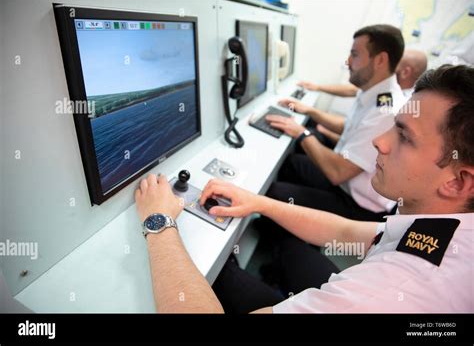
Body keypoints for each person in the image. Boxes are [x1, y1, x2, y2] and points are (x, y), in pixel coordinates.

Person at [135, 65, 474, 313]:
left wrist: (160, 222)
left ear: (459, 181)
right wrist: (259, 202)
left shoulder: (390, 292)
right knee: (281, 239)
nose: (379, 142)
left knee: (215, 272)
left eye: (404, 136)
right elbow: (348, 231)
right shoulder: (448, 227)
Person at [265, 25, 406, 222]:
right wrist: (311, 111)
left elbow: (337, 172)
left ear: (380, 60)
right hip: (346, 180)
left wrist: (302, 132)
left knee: (275, 193)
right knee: (291, 164)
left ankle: (293, 241)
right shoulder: (376, 92)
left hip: (356, 202)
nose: (348, 62)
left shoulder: (386, 113)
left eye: (354, 55)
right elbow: (349, 127)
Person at [297, 49, 428, 99]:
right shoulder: (387, 89)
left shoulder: (395, 100)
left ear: (405, 72)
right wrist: (317, 87)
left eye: (393, 63)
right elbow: (353, 90)